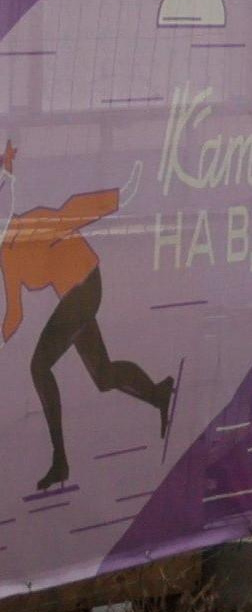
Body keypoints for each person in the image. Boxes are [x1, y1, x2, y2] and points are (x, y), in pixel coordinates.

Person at [1, 147, 177, 491]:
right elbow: (15, 312)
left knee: (39, 367)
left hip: (86, 286)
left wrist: (122, 195)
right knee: (103, 375)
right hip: (74, 298)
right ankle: (158, 393)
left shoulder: (31, 224)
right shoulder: (6, 258)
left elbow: (73, 213)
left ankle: (61, 461)